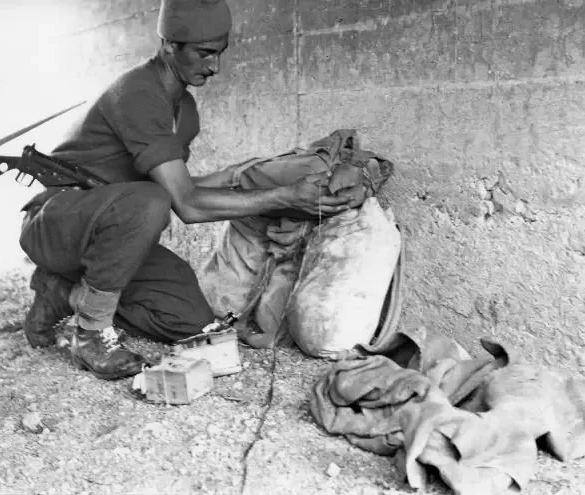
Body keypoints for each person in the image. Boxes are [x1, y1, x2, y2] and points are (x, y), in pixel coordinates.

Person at [18, 0, 353, 381]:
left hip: (103, 237)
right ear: (168, 46)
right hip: (56, 223)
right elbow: (185, 206)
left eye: (220, 53)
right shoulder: (138, 94)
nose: (215, 67)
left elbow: (180, 191)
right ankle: (91, 333)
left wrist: (253, 176)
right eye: (205, 53)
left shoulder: (185, 110)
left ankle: (63, 293)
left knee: (188, 318)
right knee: (151, 202)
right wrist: (285, 197)